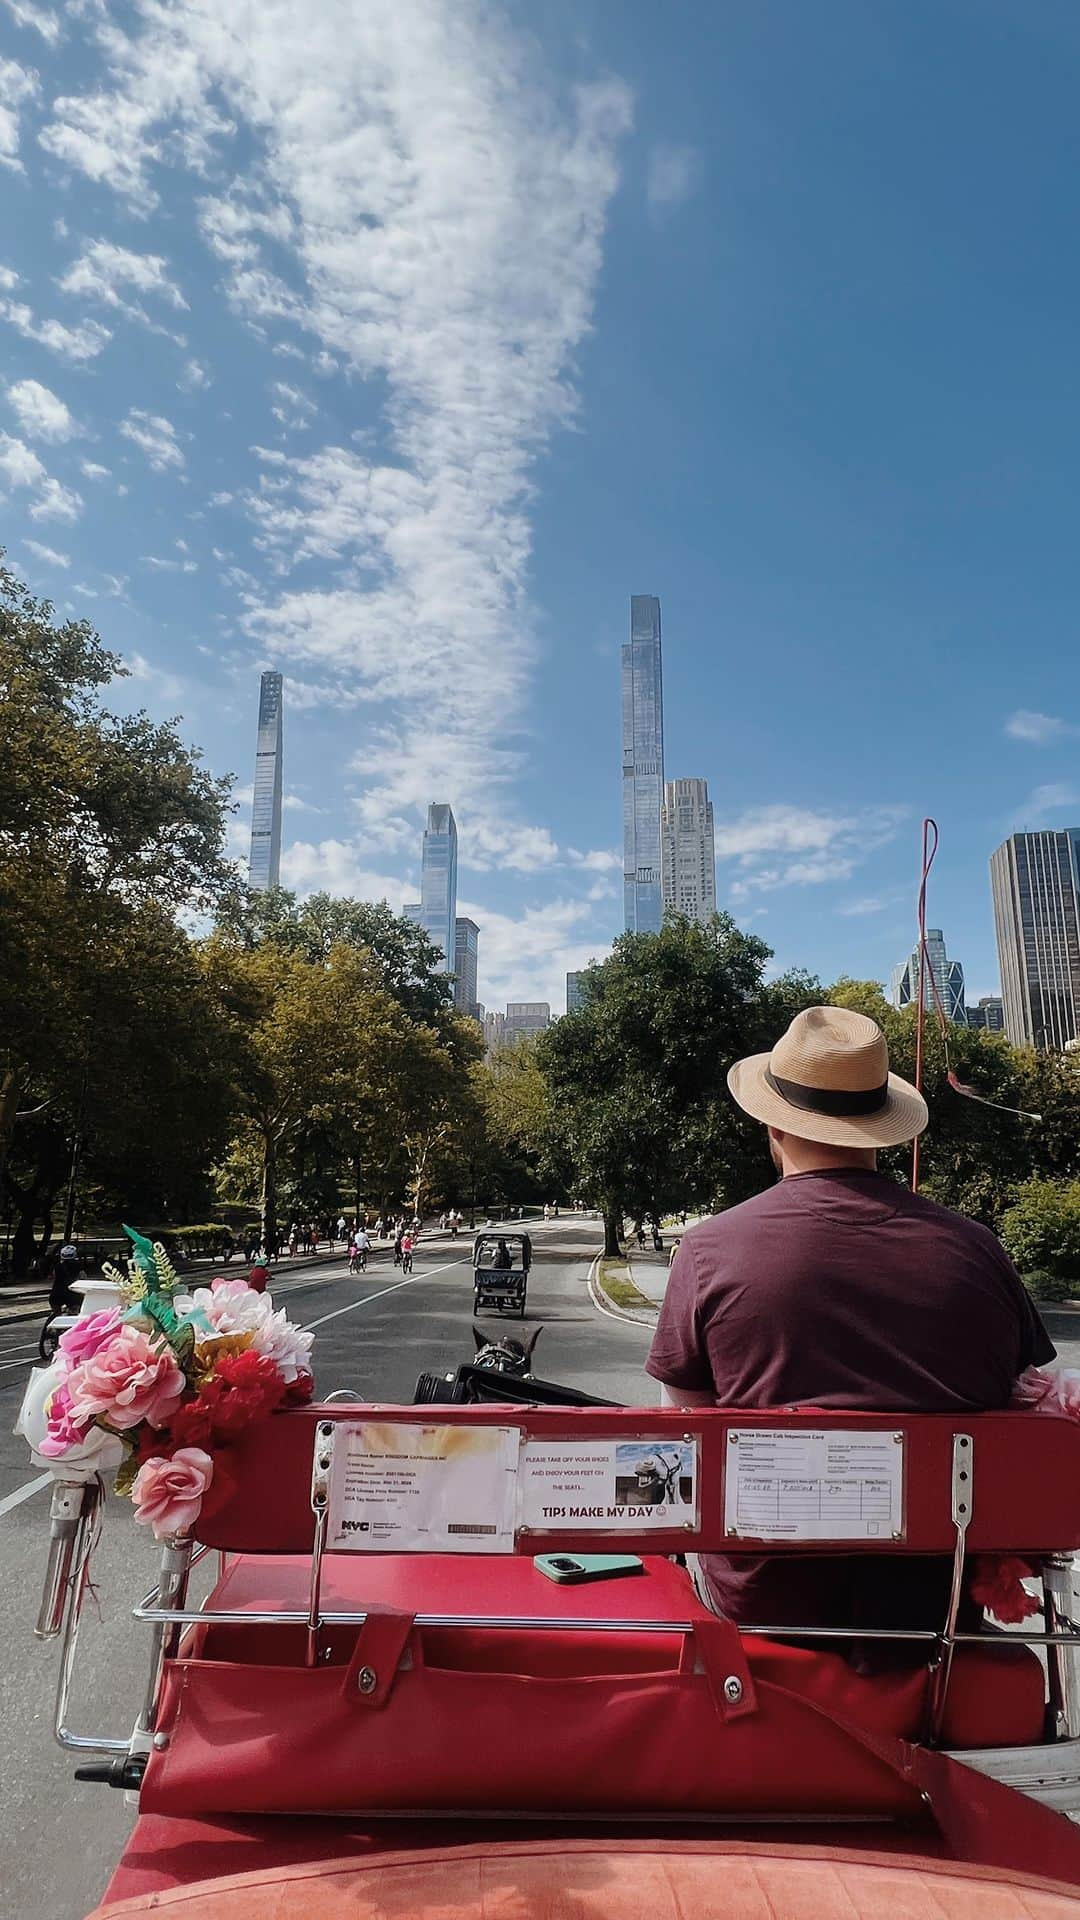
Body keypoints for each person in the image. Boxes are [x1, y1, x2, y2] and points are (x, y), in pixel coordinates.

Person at [646, 1004, 1054, 1652]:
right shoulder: (978, 1249)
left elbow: (684, 1433)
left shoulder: (708, 1251)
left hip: (764, 1610)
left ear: (772, 1128)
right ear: (880, 1130)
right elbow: (1022, 1403)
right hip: (938, 1617)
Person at [48, 1243, 82, 1318]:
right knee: (75, 1314)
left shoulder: (56, 1267)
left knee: (55, 1314)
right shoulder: (79, 1267)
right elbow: (82, 1280)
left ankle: (48, 1327)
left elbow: (53, 1279)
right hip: (73, 1296)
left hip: (55, 1296)